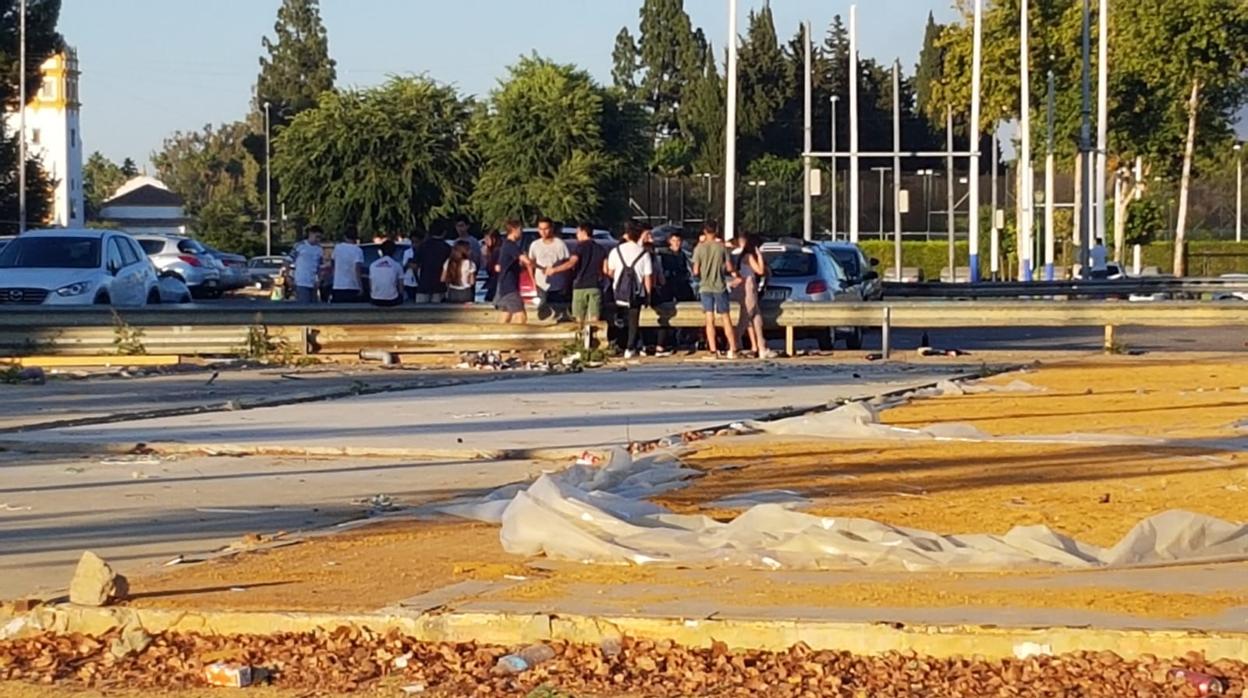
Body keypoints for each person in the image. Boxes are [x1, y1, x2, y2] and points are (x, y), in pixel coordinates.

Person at [545, 222, 608, 326]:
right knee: (594, 317)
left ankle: (580, 338)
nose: (576, 235)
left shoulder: (579, 248)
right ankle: (593, 337)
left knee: (579, 318)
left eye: (578, 232)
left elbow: (571, 263)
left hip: (580, 286)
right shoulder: (601, 249)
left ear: (584, 232)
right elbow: (605, 270)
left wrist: (554, 270)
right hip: (595, 286)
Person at [692, 223, 739, 359]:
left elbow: (695, 270)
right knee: (725, 317)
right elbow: (729, 267)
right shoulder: (721, 247)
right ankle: (733, 348)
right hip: (720, 285)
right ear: (716, 231)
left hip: (705, 286)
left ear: (704, 231)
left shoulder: (699, 248)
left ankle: (713, 350)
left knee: (709, 318)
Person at [607, 223, 654, 359]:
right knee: (634, 320)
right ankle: (630, 347)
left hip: (619, 291)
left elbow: (610, 272)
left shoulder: (616, 251)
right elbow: (648, 276)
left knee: (620, 319)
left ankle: (619, 344)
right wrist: (648, 294)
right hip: (636, 292)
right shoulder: (644, 253)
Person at [733, 234, 772, 358]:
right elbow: (760, 271)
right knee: (746, 317)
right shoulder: (749, 256)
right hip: (748, 287)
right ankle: (734, 344)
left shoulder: (743, 256)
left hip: (750, 286)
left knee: (756, 317)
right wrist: (759, 256)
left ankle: (762, 346)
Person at [528, 216, 571, 320]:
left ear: (551, 228)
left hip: (558, 286)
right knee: (542, 312)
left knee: (559, 312)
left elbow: (567, 264)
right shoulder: (535, 245)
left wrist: (566, 283)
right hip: (541, 285)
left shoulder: (560, 244)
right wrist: (533, 281)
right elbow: (531, 263)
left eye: (546, 228)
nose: (543, 232)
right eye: (540, 229)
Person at [494, 219, 527, 324]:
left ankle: (498, 335)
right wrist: (542, 267)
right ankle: (518, 338)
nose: (521, 232)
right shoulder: (511, 245)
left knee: (506, 314)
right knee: (521, 316)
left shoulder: (505, 246)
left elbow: (500, 267)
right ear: (514, 229)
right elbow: (525, 260)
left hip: (505, 285)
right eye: (520, 229)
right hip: (509, 287)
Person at [411, 230, 452, 303]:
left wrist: (418, 281)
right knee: (437, 312)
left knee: (420, 312)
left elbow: (414, 266)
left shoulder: (422, 246)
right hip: (440, 287)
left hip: (423, 286)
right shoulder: (447, 247)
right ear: (444, 232)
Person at [330, 226, 366, 303]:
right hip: (352, 286)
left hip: (338, 285)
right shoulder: (358, 250)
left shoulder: (338, 248)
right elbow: (357, 269)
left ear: (344, 236)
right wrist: (361, 287)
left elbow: (332, 262)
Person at [292, 226, 326, 304]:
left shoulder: (319, 249)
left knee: (313, 305)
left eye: (320, 238)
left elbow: (320, 267)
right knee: (304, 304)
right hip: (301, 282)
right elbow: (289, 260)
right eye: (317, 237)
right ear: (310, 234)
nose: (318, 240)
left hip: (313, 283)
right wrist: (288, 276)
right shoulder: (300, 246)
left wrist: (319, 280)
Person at [368, 239, 404, 307]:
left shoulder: (373, 265)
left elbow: (370, 285)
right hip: (392, 300)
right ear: (394, 251)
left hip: (375, 299)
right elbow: (401, 287)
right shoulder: (397, 265)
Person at [481, 229, 502, 303]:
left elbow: (491, 268)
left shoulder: (497, 251)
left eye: (487, 239)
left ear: (494, 239)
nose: (486, 241)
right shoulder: (492, 251)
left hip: (496, 281)